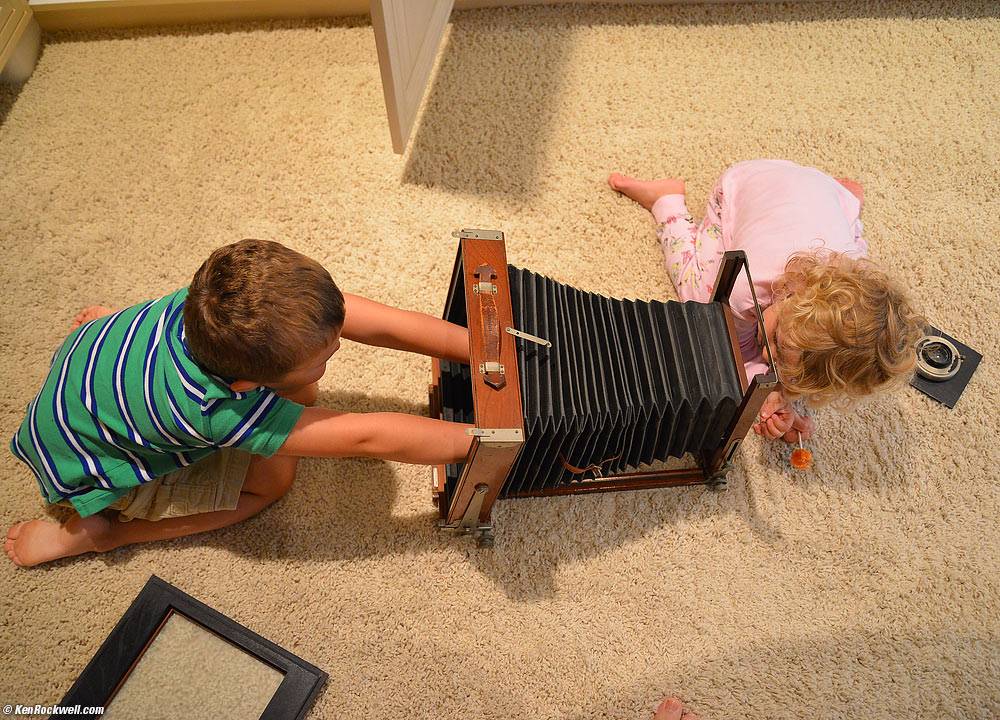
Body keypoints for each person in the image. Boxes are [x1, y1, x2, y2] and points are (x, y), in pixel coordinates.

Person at [4, 239, 473, 567]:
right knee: (271, 484)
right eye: (325, 358)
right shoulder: (219, 412)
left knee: (302, 392)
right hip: (84, 465)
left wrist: (481, 348)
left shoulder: (209, 298)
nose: (337, 349)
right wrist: (485, 442)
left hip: (93, 361)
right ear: (247, 385)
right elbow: (367, 437)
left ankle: (114, 326)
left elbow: (380, 322)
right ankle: (102, 533)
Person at [608, 159, 924, 443]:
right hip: (741, 186)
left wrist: (786, 394)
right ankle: (666, 200)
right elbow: (730, 351)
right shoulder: (747, 286)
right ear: (789, 295)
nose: (767, 352)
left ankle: (845, 199)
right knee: (700, 298)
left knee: (851, 251)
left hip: (817, 189)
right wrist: (766, 392)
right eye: (776, 341)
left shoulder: (851, 272)